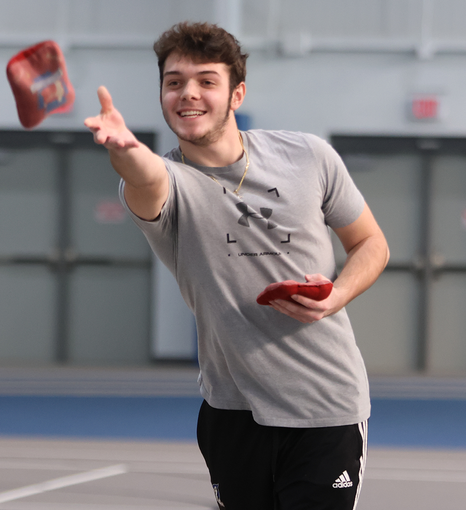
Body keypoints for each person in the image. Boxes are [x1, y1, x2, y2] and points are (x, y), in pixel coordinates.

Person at [85, 21, 389, 510]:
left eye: (207, 80)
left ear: (236, 93)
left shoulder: (308, 157)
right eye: (174, 81)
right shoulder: (167, 181)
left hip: (325, 407)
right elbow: (143, 175)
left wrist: (338, 294)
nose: (189, 94)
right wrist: (124, 149)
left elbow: (371, 243)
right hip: (231, 410)